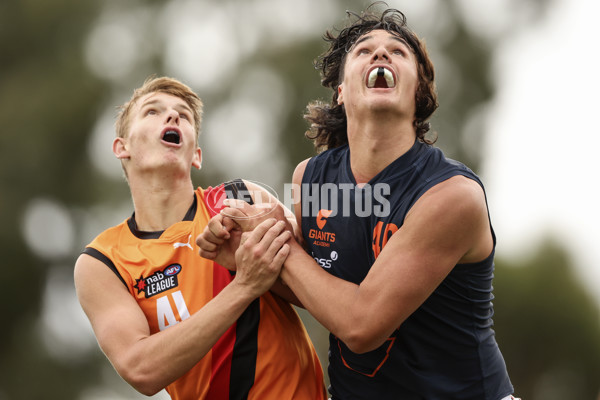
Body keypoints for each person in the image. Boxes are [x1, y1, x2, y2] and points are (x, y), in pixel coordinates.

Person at [197, 6, 520, 400]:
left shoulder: (451, 195)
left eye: (398, 52)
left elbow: (361, 326)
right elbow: (321, 291)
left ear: (418, 92)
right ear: (342, 91)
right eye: (364, 50)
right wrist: (249, 255)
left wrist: (278, 243)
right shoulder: (310, 178)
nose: (381, 55)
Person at [73, 76, 326, 399]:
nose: (173, 116)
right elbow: (142, 370)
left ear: (196, 155)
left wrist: (265, 266)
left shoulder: (240, 199)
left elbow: (326, 295)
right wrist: (244, 286)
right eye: (152, 111)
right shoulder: (103, 260)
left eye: (184, 115)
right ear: (122, 148)